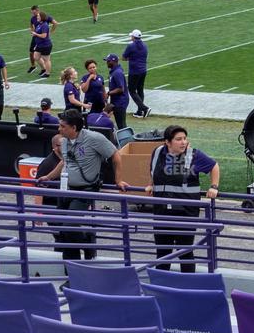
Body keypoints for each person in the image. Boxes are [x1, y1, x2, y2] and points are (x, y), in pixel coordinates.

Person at [37, 109, 129, 262]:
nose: (59, 128)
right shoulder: (65, 141)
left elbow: (115, 155)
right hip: (66, 190)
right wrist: (48, 177)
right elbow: (64, 162)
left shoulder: (94, 138)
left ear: (74, 128)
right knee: (63, 232)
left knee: (69, 225)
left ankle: (87, 242)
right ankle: (72, 272)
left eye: (62, 126)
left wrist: (118, 180)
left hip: (84, 190)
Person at [146, 124, 220, 272]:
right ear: (167, 142)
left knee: (185, 253)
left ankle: (187, 287)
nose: (183, 142)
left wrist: (214, 186)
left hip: (186, 214)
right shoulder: (158, 152)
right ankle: (160, 286)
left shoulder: (194, 155)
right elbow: (154, 170)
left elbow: (214, 166)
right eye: (178, 139)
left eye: (185, 138)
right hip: (162, 212)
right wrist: (150, 184)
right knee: (162, 253)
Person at [124, 29, 150, 118]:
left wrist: (129, 58)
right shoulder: (145, 45)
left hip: (134, 71)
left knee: (131, 90)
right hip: (143, 70)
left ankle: (144, 108)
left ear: (133, 37)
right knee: (140, 90)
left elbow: (124, 57)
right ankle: (139, 112)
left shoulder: (131, 46)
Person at [105, 53, 131, 141]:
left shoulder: (117, 73)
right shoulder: (114, 71)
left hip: (120, 102)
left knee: (121, 125)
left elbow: (121, 89)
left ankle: (127, 141)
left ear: (113, 61)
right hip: (117, 101)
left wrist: (109, 93)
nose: (107, 63)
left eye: (108, 61)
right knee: (120, 123)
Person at [30, 8, 58, 79]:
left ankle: (47, 73)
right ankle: (44, 69)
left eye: (38, 16)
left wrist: (35, 34)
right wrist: (34, 34)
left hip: (45, 45)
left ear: (42, 17)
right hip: (39, 45)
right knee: (36, 57)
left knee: (46, 59)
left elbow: (44, 36)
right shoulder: (40, 24)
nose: (37, 17)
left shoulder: (44, 25)